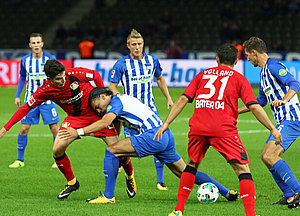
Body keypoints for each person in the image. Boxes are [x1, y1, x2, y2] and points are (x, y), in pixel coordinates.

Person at [154, 43, 282, 216]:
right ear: (236, 61)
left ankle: (178, 211)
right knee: (243, 169)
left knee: (192, 165)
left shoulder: (202, 75)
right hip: (222, 129)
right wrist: (272, 128)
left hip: (198, 127)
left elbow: (183, 98)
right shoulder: (239, 79)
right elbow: (254, 106)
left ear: (217, 60)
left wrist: (166, 123)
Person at [60, 87, 239, 204]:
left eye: (97, 106)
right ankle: (226, 192)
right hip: (165, 135)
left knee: (111, 151)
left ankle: (108, 196)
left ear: (104, 96)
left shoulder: (116, 102)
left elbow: (105, 121)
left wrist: (79, 132)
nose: (98, 110)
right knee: (185, 172)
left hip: (153, 135)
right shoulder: (122, 101)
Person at [0, 60, 136, 200]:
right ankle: (72, 182)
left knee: (118, 149)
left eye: (63, 75)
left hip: (96, 113)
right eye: (59, 79)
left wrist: (105, 102)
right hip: (75, 118)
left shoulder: (75, 73)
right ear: (49, 79)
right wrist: (5, 128)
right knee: (57, 149)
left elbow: (95, 75)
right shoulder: (44, 90)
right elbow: (24, 108)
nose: (63, 79)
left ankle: (129, 175)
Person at [240, 36, 300, 209]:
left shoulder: (274, 66)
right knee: (265, 157)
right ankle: (289, 195)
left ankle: (297, 191)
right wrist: (236, 111)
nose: (247, 59)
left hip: (292, 118)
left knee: (269, 156)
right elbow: (260, 101)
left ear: (254, 52)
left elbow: (294, 83)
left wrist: (283, 100)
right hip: (284, 120)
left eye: (247, 55)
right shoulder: (263, 72)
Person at [109, 29, 173, 190]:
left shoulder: (152, 60)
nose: (137, 47)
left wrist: (168, 97)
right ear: (128, 46)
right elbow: (112, 86)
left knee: (159, 141)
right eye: (134, 44)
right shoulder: (121, 64)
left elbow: (159, 78)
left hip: (150, 110)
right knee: (125, 148)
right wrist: (123, 101)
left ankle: (160, 180)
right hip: (131, 115)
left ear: (143, 44)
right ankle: (128, 175)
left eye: (139, 44)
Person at [9, 33, 60, 168]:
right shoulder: (25, 60)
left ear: (42, 44)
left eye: (38, 42)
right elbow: (22, 77)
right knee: (24, 128)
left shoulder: (51, 59)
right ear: (30, 45)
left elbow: (58, 77)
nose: (36, 45)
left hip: (48, 99)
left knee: (54, 128)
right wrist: (17, 95)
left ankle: (58, 160)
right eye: (34, 43)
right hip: (30, 99)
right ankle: (20, 160)